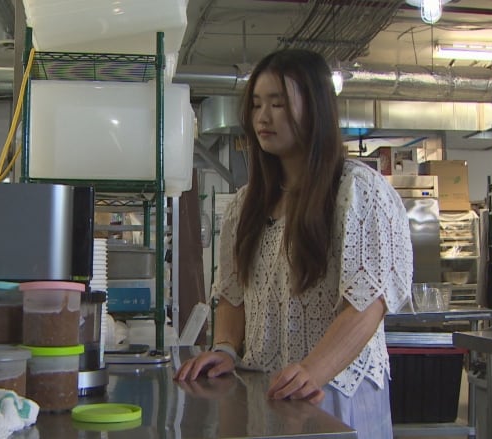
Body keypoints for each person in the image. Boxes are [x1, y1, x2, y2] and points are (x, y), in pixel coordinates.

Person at [173, 48, 413, 438]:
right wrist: (225, 349)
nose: (263, 117)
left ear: (315, 107)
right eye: (256, 104)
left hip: (336, 393)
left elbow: (368, 302)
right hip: (266, 392)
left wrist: (313, 371)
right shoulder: (244, 205)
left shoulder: (358, 192)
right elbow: (233, 296)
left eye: (278, 104)